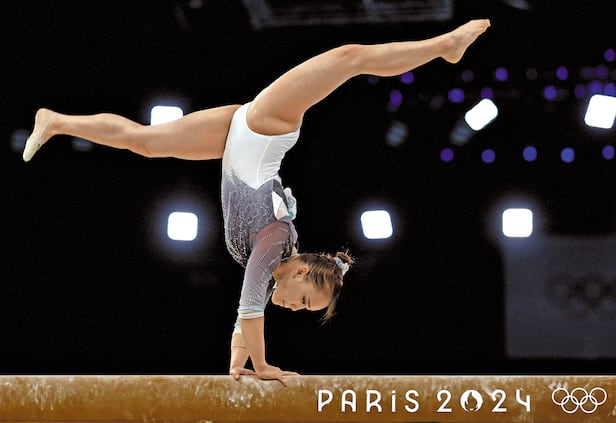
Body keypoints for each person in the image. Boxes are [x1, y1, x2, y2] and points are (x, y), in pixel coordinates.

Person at [22, 19, 490, 385]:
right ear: (300, 273)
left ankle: (56, 121)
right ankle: (445, 45)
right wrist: (263, 367)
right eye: (304, 302)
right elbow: (250, 308)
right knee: (350, 58)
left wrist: (236, 364)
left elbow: (243, 315)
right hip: (268, 126)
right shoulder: (273, 243)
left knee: (143, 142)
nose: (294, 309)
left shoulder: (273, 262)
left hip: (237, 134)